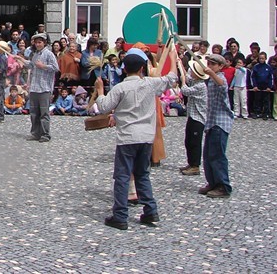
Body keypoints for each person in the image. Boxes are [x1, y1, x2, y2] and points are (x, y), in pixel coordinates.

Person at [92, 46, 178, 230]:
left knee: (122, 176)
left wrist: (100, 91)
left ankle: (121, 215)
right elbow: (172, 79)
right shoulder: (149, 83)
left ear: (124, 69)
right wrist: (173, 58)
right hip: (146, 136)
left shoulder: (120, 88)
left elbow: (105, 107)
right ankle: (150, 211)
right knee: (142, 174)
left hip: (127, 137)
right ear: (141, 68)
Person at [198, 54, 234, 198]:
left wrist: (212, 73)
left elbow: (222, 85)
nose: (210, 65)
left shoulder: (221, 78)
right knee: (207, 155)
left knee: (218, 156)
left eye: (213, 64)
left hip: (221, 122)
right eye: (209, 63)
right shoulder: (211, 81)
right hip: (212, 122)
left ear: (220, 66)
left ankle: (223, 186)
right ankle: (212, 182)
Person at [19, 33, 59, 142]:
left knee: (44, 113)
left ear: (44, 43)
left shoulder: (49, 54)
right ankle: (35, 133)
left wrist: (44, 66)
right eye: (36, 42)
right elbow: (31, 65)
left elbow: (56, 68)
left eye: (39, 42)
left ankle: (45, 134)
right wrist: (20, 59)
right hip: (34, 87)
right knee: (34, 113)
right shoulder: (35, 54)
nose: (37, 44)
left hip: (44, 88)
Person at [179, 56, 208, 176]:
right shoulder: (195, 81)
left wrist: (182, 80)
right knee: (188, 141)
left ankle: (195, 165)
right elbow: (187, 77)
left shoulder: (201, 86)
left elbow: (185, 90)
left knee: (195, 142)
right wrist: (180, 66)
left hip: (198, 118)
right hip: (192, 116)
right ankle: (191, 163)